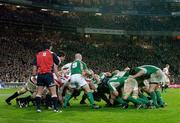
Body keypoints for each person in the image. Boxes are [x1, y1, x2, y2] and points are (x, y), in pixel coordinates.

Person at [32, 41, 65, 112]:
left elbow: (34, 66)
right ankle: (55, 109)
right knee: (53, 93)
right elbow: (57, 62)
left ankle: (38, 108)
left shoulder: (38, 54)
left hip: (40, 75)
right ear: (50, 47)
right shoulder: (52, 53)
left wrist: (34, 75)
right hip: (48, 75)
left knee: (39, 93)